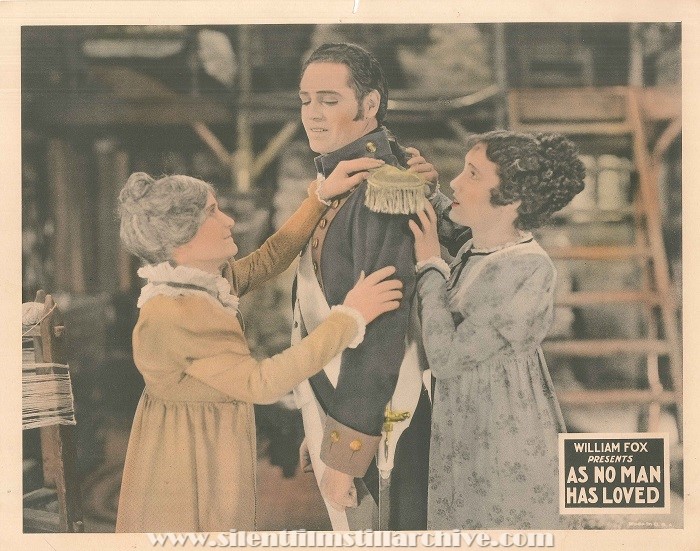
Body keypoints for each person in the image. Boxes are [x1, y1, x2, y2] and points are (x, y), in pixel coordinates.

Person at [114, 169, 403, 532]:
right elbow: (261, 382)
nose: (228, 220)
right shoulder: (176, 310)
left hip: (206, 432)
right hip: (188, 450)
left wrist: (319, 197)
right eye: (213, 212)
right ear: (181, 241)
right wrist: (349, 317)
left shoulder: (198, 281)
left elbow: (269, 259)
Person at [292, 42, 459, 531]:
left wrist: (346, 448)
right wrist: (325, 424)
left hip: (387, 423)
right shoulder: (343, 180)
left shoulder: (383, 189)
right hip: (348, 406)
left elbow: (384, 333)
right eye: (305, 101)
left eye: (329, 100)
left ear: (370, 106)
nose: (312, 116)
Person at [409, 130, 585, 529]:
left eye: (472, 174)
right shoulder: (483, 244)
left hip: (501, 432)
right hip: (466, 418)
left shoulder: (529, 268)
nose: (455, 181)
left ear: (511, 201)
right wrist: (429, 191)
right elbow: (458, 228)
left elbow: (447, 359)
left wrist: (430, 267)